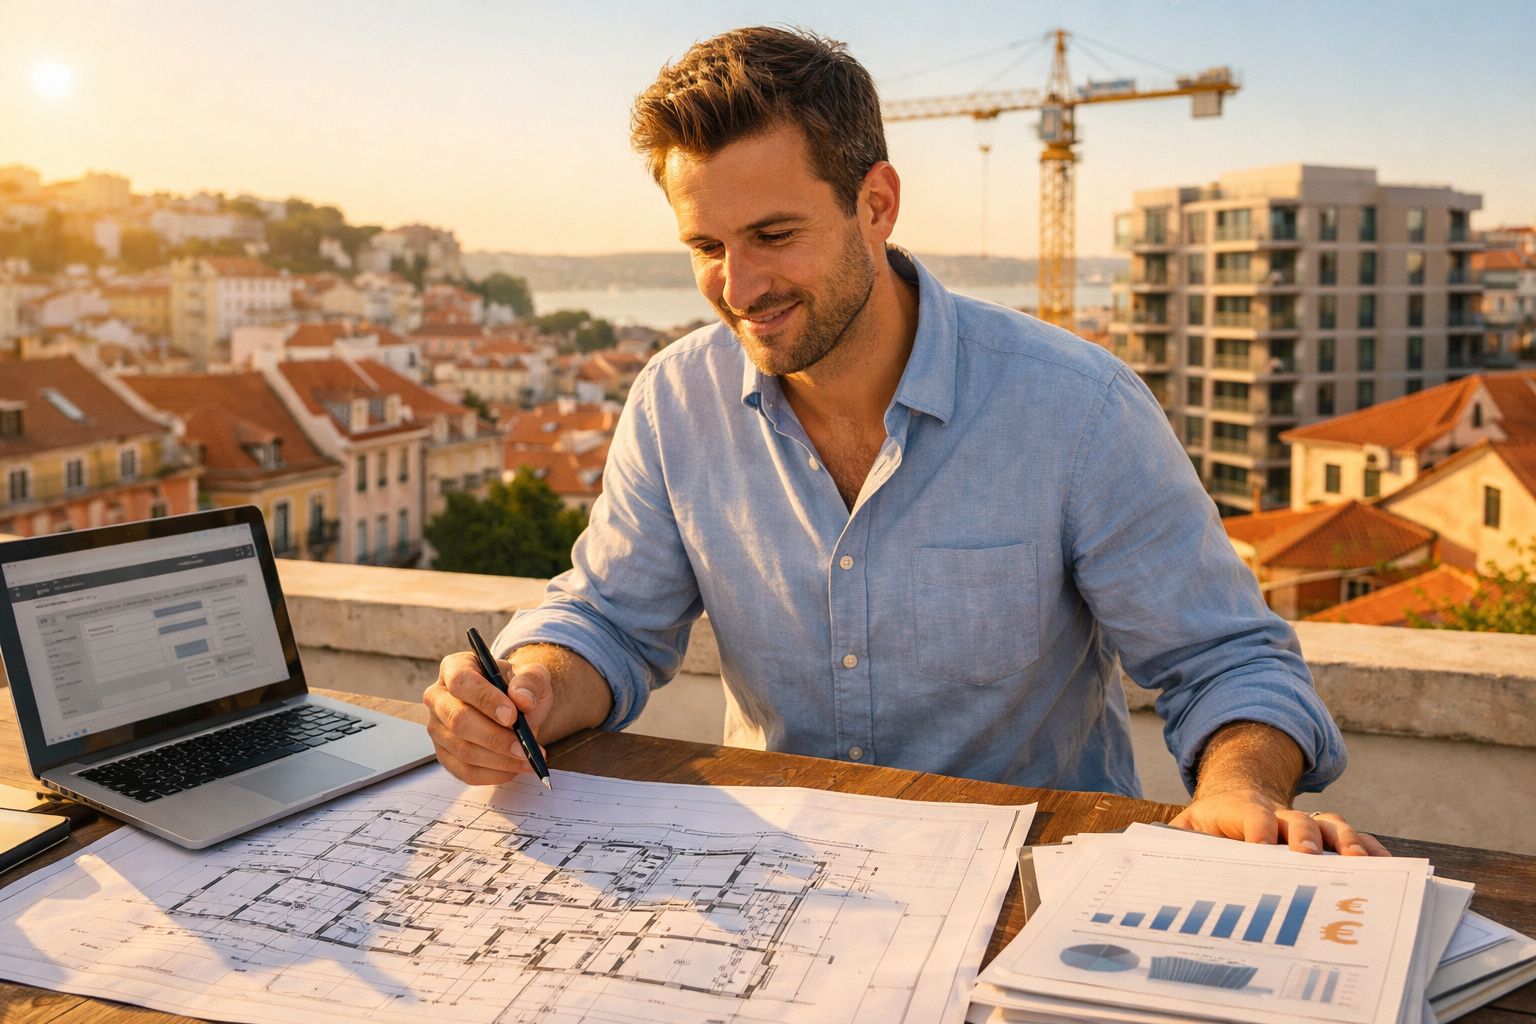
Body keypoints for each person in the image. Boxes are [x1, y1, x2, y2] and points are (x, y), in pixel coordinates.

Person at [424, 26, 1387, 857]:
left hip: (1028, 881)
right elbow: (609, 623)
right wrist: (530, 688)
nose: (739, 287)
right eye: (707, 248)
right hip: (779, 881)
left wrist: (1239, 791)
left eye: (774, 234)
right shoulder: (675, 401)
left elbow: (1228, 662)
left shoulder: (1077, 407)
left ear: (877, 204)